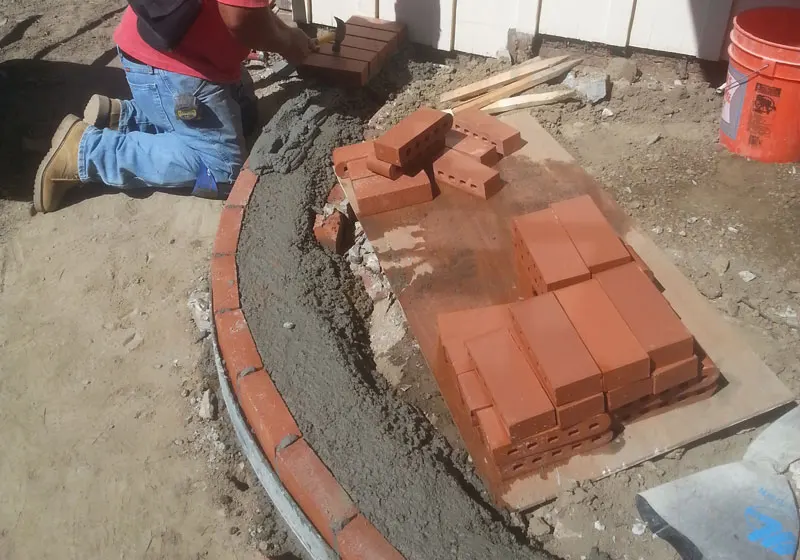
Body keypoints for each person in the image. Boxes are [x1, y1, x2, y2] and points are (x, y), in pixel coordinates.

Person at [33, 0, 316, 213]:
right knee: (222, 172)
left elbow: (250, 9)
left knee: (245, 116)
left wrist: (286, 32)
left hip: (156, 51)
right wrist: (288, 43)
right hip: (174, 70)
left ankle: (126, 117)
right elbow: (241, 18)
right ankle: (88, 152)